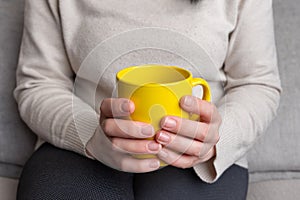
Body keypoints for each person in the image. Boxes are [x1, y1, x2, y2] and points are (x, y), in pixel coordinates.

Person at [14, 0, 281, 199]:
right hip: (80, 148)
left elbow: (256, 83)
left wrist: (215, 139)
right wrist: (90, 135)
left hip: (198, 157)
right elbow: (39, 82)